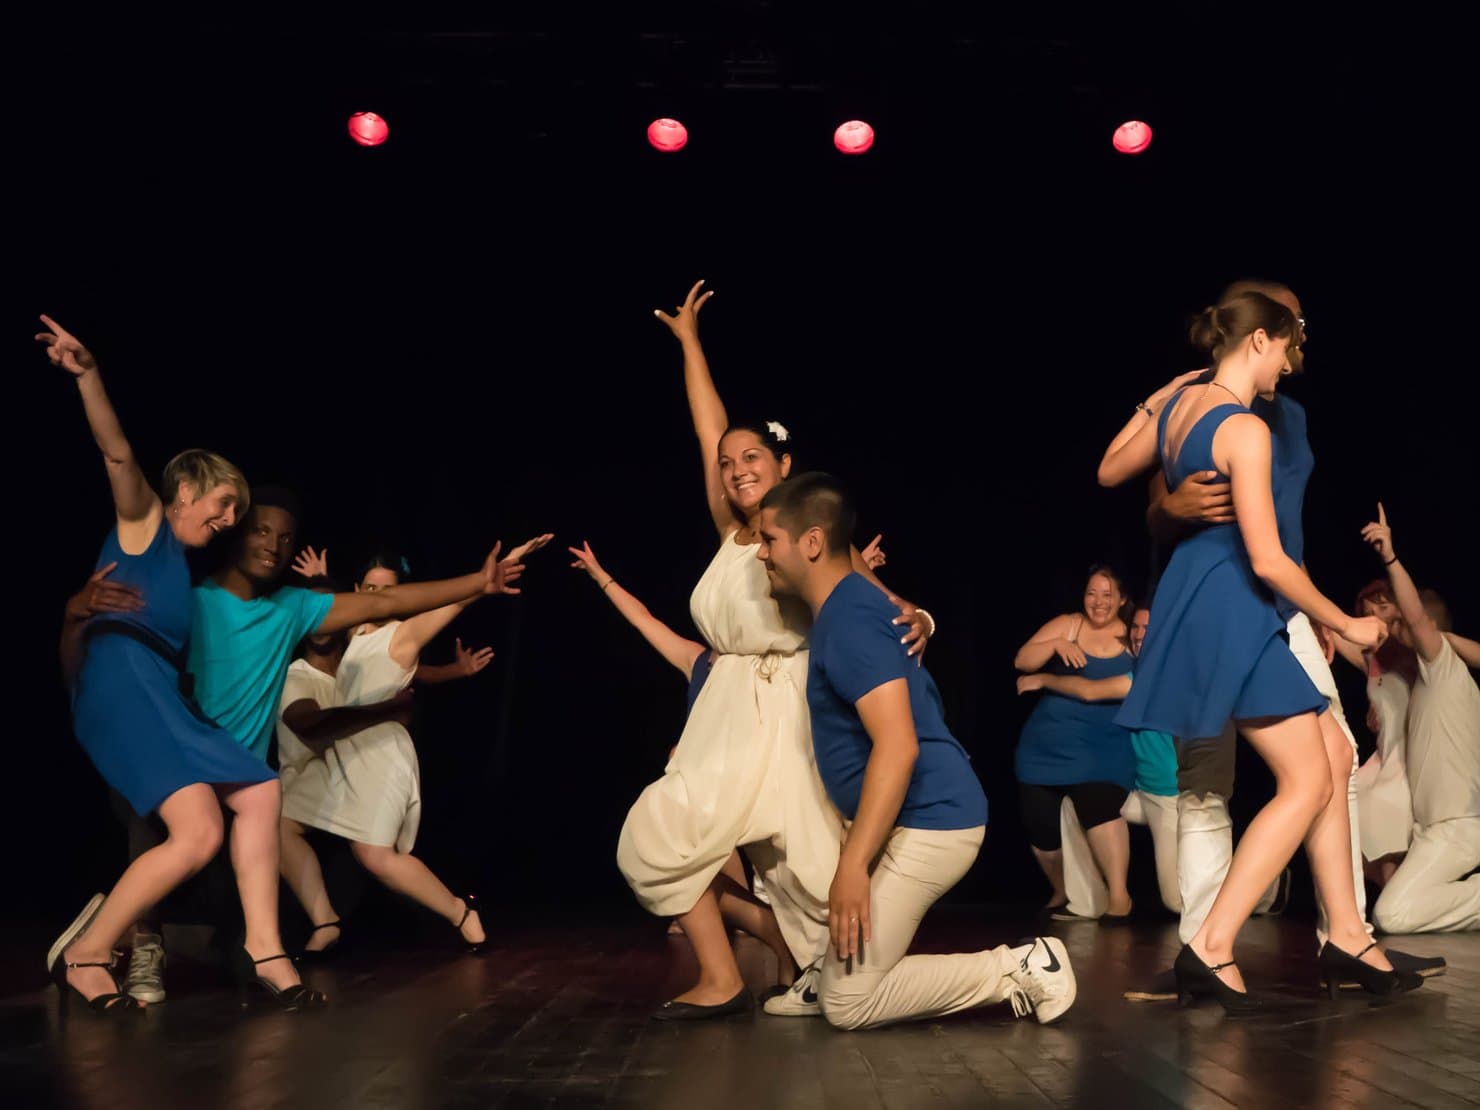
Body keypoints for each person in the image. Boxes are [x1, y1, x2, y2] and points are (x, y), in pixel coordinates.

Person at [1109, 281, 1441, 998]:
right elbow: (1264, 556)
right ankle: (1213, 943)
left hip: (1230, 606)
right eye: (1288, 343)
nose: (1292, 361)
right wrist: (1348, 621)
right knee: (1307, 778)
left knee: (1328, 753)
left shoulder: (1181, 409)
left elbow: (1112, 464)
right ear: (1258, 337)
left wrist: (1159, 395)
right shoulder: (1243, 426)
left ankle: (1346, 939)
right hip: (1233, 606)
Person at [618, 280, 934, 1021]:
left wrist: (922, 616)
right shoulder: (733, 534)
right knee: (658, 836)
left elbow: (889, 606)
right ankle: (728, 973)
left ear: (784, 465)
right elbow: (707, 428)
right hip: (725, 710)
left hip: (789, 710)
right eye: (728, 463)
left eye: (751, 457)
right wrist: (690, 344)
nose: (735, 468)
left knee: (805, 867)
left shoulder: (811, 543)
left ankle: (827, 968)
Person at [39, 314, 319, 1013]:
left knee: (253, 791)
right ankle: (94, 950)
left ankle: (262, 946)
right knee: (202, 827)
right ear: (188, 489)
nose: (229, 521)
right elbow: (118, 456)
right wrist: (89, 376)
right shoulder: (147, 525)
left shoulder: (181, 588)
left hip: (154, 691)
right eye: (226, 505)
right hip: (123, 685)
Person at [757, 472, 1076, 1029]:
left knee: (849, 1004)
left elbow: (898, 746)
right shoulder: (846, 605)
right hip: (909, 817)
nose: (760, 554)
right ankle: (829, 969)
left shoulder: (849, 620)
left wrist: (855, 864)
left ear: (811, 543)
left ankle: (1021, 965)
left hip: (935, 822)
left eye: (768, 540)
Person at [274, 543, 546, 957]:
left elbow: (449, 606)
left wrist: (487, 579)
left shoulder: (404, 632)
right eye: (367, 588)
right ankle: (325, 920)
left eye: (386, 589)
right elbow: (329, 619)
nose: (376, 597)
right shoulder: (355, 632)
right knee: (280, 820)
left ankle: (460, 914)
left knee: (375, 856)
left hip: (381, 754)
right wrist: (317, 581)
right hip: (347, 756)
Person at [570, 540, 795, 979]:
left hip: (752, 777)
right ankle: (755, 932)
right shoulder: (697, 661)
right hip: (709, 782)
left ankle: (772, 933)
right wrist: (602, 577)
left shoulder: (763, 663)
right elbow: (642, 619)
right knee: (689, 857)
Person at [1362, 506, 1480, 933]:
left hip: (1455, 827)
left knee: (1392, 916)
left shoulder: (1445, 665)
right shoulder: (1420, 682)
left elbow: (1413, 617)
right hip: (1428, 829)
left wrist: (1390, 558)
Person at [1021, 605, 1181, 920]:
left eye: (1148, 628)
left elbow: (1091, 691)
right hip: (1140, 791)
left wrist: (1043, 678)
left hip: (1169, 796)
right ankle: (1087, 901)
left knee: (1176, 900)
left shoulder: (1160, 676)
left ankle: (1268, 887)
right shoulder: (1141, 670)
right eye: (1135, 627)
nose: (1138, 634)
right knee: (1077, 805)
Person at [1012, 567, 1137, 921]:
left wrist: (1044, 678)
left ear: (1122, 599)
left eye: (1107, 595)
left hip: (1104, 744)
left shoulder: (1134, 637)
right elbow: (1021, 661)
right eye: (1091, 593)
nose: (1098, 602)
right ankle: (1064, 890)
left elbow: (1093, 690)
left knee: (1098, 804)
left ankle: (1118, 897)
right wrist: (1055, 644)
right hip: (1047, 743)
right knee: (1039, 825)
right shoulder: (1069, 624)